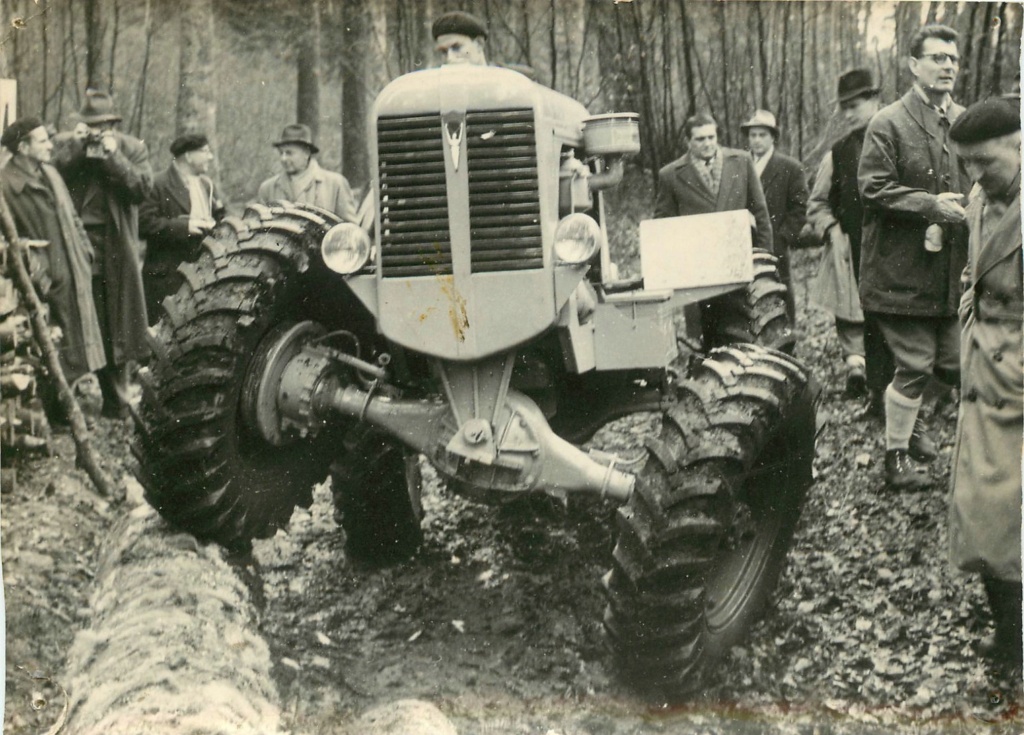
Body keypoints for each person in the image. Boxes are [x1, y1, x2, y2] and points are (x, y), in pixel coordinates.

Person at [857, 25, 970, 490]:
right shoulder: (888, 121)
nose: (947, 66)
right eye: (937, 58)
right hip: (898, 273)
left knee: (956, 363)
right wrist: (930, 204)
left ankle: (915, 422)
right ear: (912, 65)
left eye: (953, 59)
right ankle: (896, 458)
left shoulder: (963, 122)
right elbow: (872, 186)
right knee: (917, 362)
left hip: (949, 274)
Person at [947, 96, 1022, 671]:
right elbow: (975, 273)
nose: (973, 176)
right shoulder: (980, 197)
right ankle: (1010, 632)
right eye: (964, 163)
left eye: (984, 162)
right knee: (983, 515)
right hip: (983, 373)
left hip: (1017, 377)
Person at [52, 89, 151, 419]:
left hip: (113, 248)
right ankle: (71, 401)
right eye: (89, 125)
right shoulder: (71, 145)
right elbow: (52, 174)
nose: (95, 131)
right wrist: (79, 149)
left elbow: (140, 189)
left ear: (112, 124)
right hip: (76, 246)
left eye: (101, 125)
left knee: (115, 326)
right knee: (76, 320)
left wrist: (113, 156)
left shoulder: (132, 148)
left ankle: (116, 401)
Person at [0, 116, 106, 421]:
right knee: (49, 342)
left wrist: (85, 250)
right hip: (42, 280)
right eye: (43, 140)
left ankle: (74, 411)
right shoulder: (6, 185)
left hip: (72, 268)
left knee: (76, 342)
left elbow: (72, 217)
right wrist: (38, 270)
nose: (50, 145)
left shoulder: (49, 172)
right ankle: (55, 414)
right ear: (23, 147)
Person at [807, 69, 895, 406]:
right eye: (843, 107)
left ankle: (904, 402)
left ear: (875, 100)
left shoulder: (898, 137)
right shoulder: (838, 152)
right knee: (866, 324)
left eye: (855, 105)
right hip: (856, 252)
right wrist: (831, 230)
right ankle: (875, 395)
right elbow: (817, 204)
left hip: (897, 252)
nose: (847, 114)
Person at [140, 133, 224, 324]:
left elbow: (220, 217)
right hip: (166, 278)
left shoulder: (206, 184)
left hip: (202, 276)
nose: (210, 157)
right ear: (188, 156)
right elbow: (143, 223)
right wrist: (184, 226)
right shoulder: (157, 184)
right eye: (205, 152)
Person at [740, 109, 807, 321]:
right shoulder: (739, 166)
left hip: (774, 246)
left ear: (773, 138)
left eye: (762, 135)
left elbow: (799, 209)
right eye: (753, 135)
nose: (757, 140)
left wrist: (782, 237)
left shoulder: (790, 168)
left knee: (779, 293)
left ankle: (787, 341)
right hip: (742, 245)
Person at [256, 124, 357, 223]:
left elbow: (350, 231)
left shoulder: (335, 184)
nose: (283, 158)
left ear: (306, 153)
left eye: (289, 153)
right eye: (281, 153)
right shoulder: (268, 188)